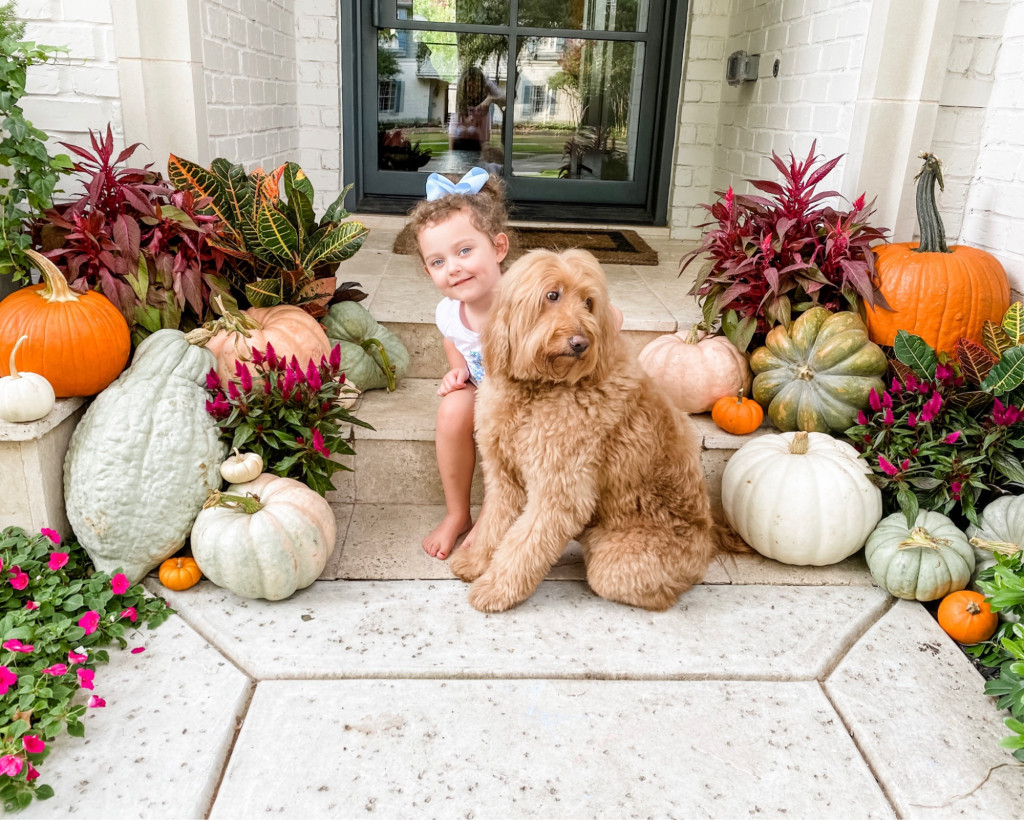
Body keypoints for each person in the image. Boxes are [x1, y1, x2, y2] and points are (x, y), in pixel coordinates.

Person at [406, 167, 623, 560]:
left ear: (499, 248)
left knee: (528, 425)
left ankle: (497, 509)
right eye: (437, 262)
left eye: (464, 251)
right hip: (488, 391)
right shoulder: (449, 311)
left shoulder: (528, 294)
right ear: (427, 271)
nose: (452, 267)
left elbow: (607, 316)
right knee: (452, 409)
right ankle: (457, 512)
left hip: (535, 389)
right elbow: (451, 339)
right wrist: (456, 369)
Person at [449, 66, 505, 154]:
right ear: (464, 87)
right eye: (470, 87)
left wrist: (491, 99)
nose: (474, 90)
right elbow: (452, 136)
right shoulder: (460, 107)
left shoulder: (486, 88)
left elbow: (506, 100)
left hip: (482, 151)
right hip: (462, 153)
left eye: (477, 87)